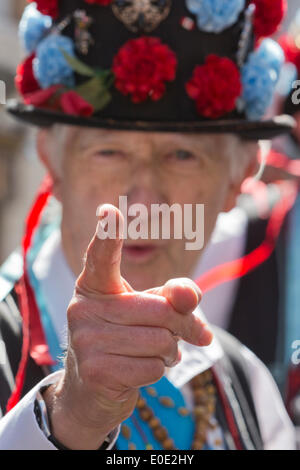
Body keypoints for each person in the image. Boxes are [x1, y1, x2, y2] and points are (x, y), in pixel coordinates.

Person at [0, 0, 296, 450]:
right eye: (108, 153)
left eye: (182, 156)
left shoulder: (244, 383)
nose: (141, 202)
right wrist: (72, 417)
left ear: (239, 178)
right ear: (51, 163)